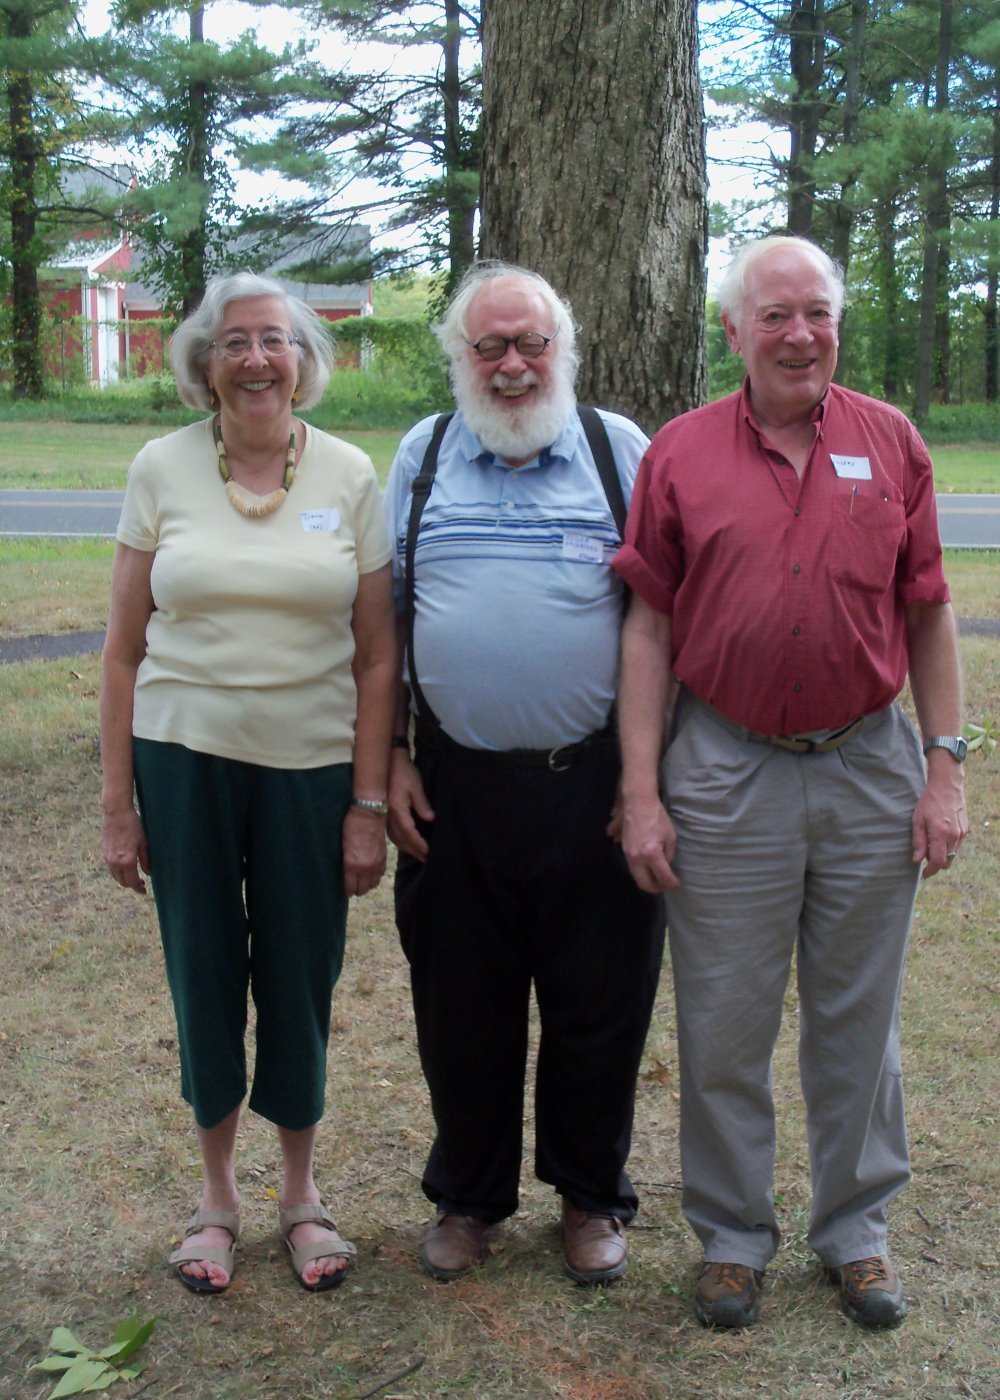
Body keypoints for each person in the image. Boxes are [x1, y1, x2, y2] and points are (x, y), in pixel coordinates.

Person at [614, 234, 968, 1330]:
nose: (799, 333)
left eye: (816, 312)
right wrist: (641, 789)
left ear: (838, 323)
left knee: (858, 1014)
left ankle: (854, 1228)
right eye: (774, 315)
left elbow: (927, 611)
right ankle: (730, 1234)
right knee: (722, 1014)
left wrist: (944, 767)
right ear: (732, 330)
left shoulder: (890, 442)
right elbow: (648, 624)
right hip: (722, 764)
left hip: (868, 761)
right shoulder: (677, 453)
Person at [100, 272, 396, 1295]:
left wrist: (367, 802)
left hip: (311, 769)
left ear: (304, 358)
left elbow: (374, 656)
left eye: (274, 339)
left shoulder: (353, 473)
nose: (256, 358)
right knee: (205, 969)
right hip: (182, 758)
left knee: (300, 975)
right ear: (204, 361)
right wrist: (116, 800)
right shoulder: (160, 467)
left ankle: (301, 1194)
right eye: (234, 341)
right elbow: (122, 651)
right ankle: (216, 1196)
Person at [383, 261, 666, 1285]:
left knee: (601, 1000)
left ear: (563, 351)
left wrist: (643, 780)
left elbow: (656, 615)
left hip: (591, 781)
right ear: (459, 357)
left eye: (530, 344)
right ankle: (468, 1196)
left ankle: (590, 1197)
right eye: (488, 346)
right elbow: (383, 626)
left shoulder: (615, 448)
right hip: (453, 785)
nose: (510, 364)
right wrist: (392, 755)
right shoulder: (421, 456)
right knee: (461, 1002)